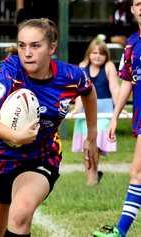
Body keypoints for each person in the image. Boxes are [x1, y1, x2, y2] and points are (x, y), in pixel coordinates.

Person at [0, 18, 98, 237]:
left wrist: (92, 135)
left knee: (20, 213)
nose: (27, 52)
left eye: (35, 46)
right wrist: (15, 136)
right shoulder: (10, 72)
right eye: (22, 45)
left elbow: (88, 90)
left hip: (40, 158)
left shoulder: (70, 76)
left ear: (52, 48)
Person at [92, 0, 141, 236]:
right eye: (138, 4)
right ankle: (120, 231)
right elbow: (127, 83)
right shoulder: (132, 44)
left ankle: (121, 231)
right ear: (132, 10)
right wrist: (114, 117)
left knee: (137, 173)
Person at [71, 36, 120, 186]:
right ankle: (91, 179)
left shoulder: (109, 66)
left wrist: (118, 109)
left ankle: (93, 177)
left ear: (106, 55)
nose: (97, 56)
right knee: (86, 148)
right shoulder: (82, 66)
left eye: (101, 53)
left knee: (96, 144)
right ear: (89, 54)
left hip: (104, 111)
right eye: (94, 53)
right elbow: (80, 93)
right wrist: (76, 109)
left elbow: (114, 88)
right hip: (86, 111)